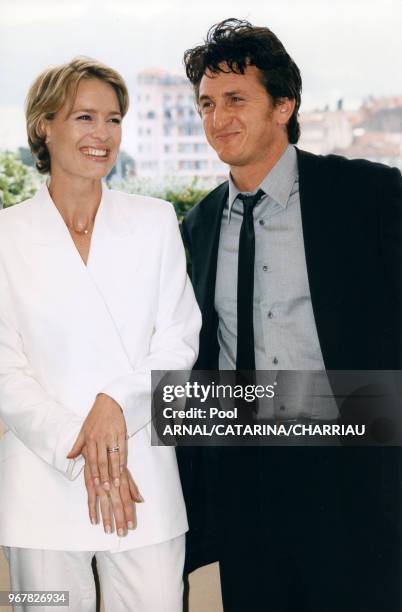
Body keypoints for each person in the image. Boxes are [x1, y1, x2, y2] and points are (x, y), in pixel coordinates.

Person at [178, 18, 402, 612]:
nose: (217, 117)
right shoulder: (197, 226)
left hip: (355, 479)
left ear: (283, 105)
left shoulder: (369, 197)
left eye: (234, 99)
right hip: (246, 493)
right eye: (206, 103)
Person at [0, 57, 201, 611]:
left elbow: (179, 341)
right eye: (85, 117)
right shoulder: (5, 235)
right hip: (41, 483)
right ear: (45, 124)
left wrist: (117, 403)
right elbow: (4, 369)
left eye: (114, 120)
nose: (103, 135)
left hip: (144, 481)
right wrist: (85, 449)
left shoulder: (156, 220)